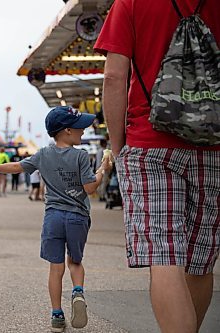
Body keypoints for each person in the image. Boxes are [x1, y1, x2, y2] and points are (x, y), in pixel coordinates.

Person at [94, 1, 220, 332]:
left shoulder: (131, 3)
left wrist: (119, 149)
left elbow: (113, 77)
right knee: (200, 261)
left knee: (165, 258)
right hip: (214, 145)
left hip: (150, 143)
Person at [0, 106, 111, 332]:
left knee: (55, 267)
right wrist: (102, 169)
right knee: (75, 263)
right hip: (77, 216)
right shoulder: (80, 156)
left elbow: (17, 166)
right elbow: (90, 186)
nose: (84, 131)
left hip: (53, 217)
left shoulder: (43, 154)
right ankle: (78, 292)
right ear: (68, 131)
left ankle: (56, 315)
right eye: (80, 127)